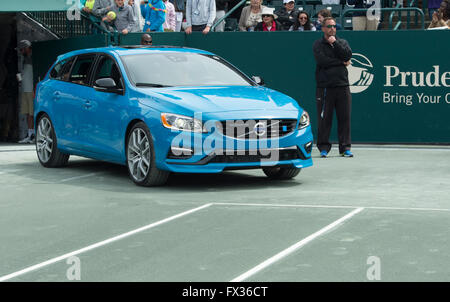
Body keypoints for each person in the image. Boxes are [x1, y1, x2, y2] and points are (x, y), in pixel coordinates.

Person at [313, 17, 353, 158]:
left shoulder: (342, 42)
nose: (332, 29)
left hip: (342, 86)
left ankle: (345, 148)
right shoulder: (318, 44)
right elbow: (323, 61)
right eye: (329, 26)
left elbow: (348, 55)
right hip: (325, 87)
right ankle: (323, 147)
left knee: (345, 119)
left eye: (334, 26)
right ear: (323, 28)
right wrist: (341, 62)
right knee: (325, 120)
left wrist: (335, 43)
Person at [16, 40, 35, 144]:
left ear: (27, 48)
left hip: (31, 90)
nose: (20, 51)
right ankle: (30, 135)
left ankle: (34, 135)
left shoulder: (33, 58)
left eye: (22, 49)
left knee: (32, 113)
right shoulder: (25, 59)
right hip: (25, 89)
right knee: (28, 114)